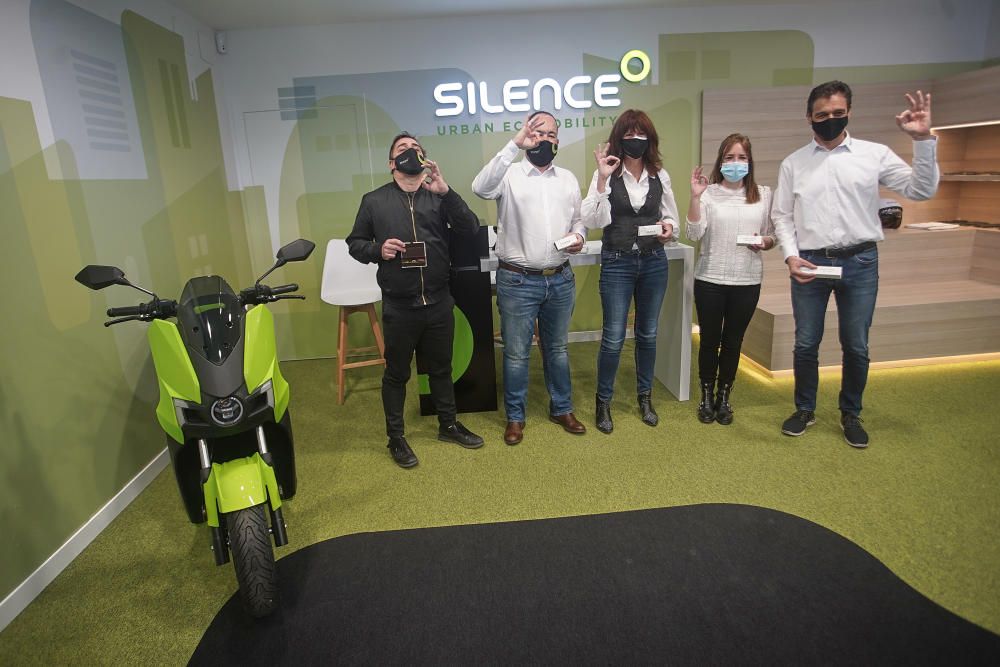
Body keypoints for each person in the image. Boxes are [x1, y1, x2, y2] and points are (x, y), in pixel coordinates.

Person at [772, 81, 939, 448]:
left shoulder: (873, 154)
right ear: (809, 118)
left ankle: (851, 413)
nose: (829, 120)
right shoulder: (794, 163)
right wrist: (790, 255)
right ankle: (804, 409)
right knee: (805, 343)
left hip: (860, 261)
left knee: (856, 344)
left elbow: (921, 190)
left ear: (848, 112)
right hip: (811, 264)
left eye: (837, 113)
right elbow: (782, 216)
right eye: (821, 115)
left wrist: (924, 140)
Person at [347, 132, 484, 468]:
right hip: (399, 305)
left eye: (417, 150)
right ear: (392, 163)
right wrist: (378, 250)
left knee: (441, 369)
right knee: (396, 374)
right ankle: (396, 438)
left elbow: (470, 227)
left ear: (425, 161)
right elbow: (355, 243)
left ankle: (448, 425)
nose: (410, 153)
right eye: (403, 150)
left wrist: (446, 191)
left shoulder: (437, 197)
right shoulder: (374, 201)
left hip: (438, 301)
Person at [472, 111, 587, 445]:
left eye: (550, 134)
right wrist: (513, 145)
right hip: (518, 281)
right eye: (537, 132)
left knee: (557, 350)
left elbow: (579, 219)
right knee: (517, 353)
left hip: (561, 279)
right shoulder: (508, 175)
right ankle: (516, 417)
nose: (544, 139)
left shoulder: (566, 178)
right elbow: (479, 188)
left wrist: (578, 235)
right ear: (526, 135)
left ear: (558, 140)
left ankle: (561, 408)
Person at [581, 109, 679, 434]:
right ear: (618, 139)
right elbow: (593, 221)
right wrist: (601, 178)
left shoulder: (659, 175)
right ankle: (603, 401)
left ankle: (644, 396)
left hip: (653, 262)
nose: (635, 140)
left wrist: (668, 228)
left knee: (648, 334)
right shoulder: (608, 174)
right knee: (612, 337)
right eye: (629, 135)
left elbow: (672, 219)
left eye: (641, 135)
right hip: (617, 262)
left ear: (649, 139)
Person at [687, 133, 776, 426]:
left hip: (747, 280)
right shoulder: (708, 192)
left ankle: (725, 396)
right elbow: (694, 234)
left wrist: (765, 241)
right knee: (709, 340)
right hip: (710, 278)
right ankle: (706, 395)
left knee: (733, 341)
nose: (735, 163)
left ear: (749, 161)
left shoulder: (763, 194)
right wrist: (696, 198)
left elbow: (774, 234)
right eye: (729, 157)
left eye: (741, 157)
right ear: (720, 161)